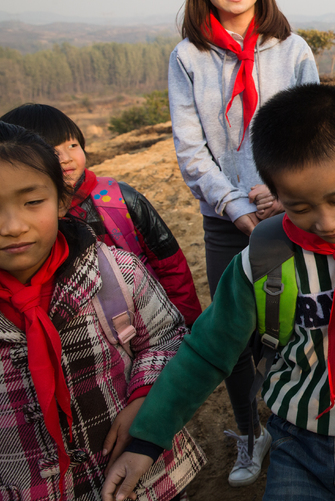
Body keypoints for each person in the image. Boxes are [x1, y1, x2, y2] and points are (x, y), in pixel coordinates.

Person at [102, 84, 335, 501]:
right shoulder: (262, 259)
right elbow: (207, 352)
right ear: (275, 192)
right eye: (300, 207)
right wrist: (146, 441)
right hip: (296, 444)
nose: (327, 221)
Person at [167, 0, 319, 486]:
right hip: (225, 223)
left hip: (292, 214)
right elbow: (190, 147)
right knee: (234, 335)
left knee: (296, 325)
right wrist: (233, 203)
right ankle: (250, 435)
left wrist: (285, 194)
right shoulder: (187, 58)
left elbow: (313, 133)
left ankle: (296, 424)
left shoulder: (293, 49)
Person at [0, 122, 204, 500]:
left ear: (62, 200)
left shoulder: (116, 273)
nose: (12, 226)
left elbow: (167, 337)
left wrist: (145, 398)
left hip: (140, 482)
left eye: (32, 202)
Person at [0, 103, 201, 326]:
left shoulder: (121, 199)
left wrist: (186, 322)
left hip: (148, 318)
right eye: (52, 149)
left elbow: (170, 264)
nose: (65, 157)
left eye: (73, 144)